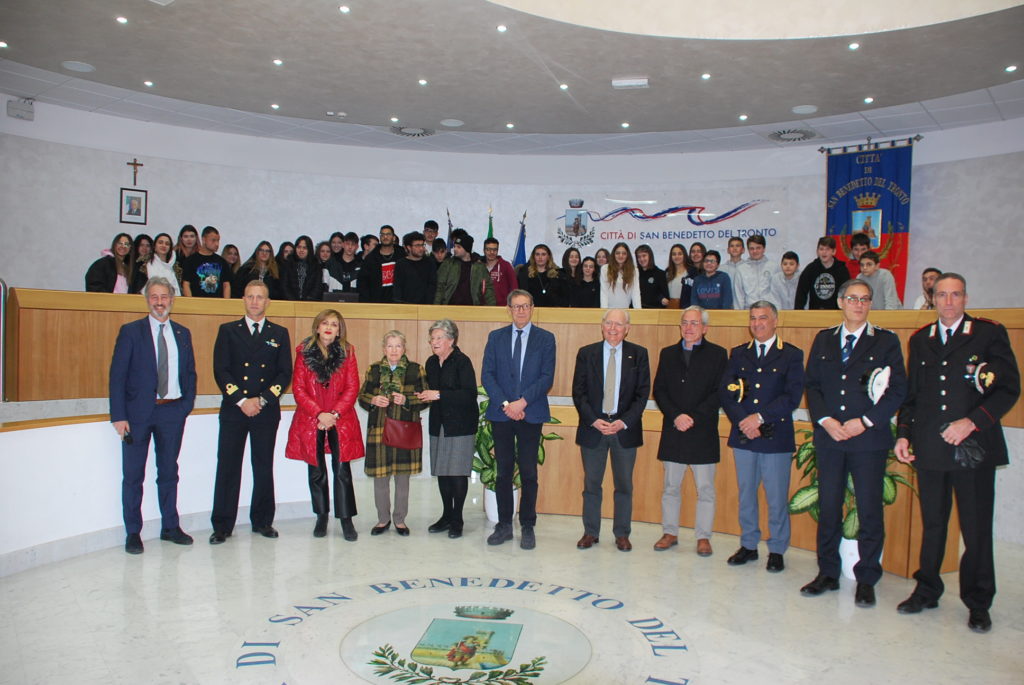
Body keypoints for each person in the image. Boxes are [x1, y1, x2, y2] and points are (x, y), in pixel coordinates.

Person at [894, 273, 1020, 633]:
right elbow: (913, 396)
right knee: (933, 522)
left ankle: (979, 602)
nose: (948, 302)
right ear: (932, 299)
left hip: (973, 447)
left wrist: (972, 422)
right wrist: (903, 434)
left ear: (965, 298)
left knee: (976, 527)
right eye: (942, 295)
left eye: (955, 295)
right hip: (931, 447)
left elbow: (1008, 388)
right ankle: (927, 589)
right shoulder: (921, 340)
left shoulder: (988, 333)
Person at [802, 278, 907, 607]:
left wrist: (865, 422)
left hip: (868, 440)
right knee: (829, 507)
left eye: (864, 299)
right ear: (840, 302)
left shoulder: (886, 341)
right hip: (831, 438)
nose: (858, 305)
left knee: (869, 510)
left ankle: (867, 578)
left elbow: (897, 390)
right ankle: (828, 573)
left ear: (870, 304)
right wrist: (826, 420)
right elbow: (812, 385)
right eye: (852, 298)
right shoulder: (824, 339)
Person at [108, 276, 196, 554]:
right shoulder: (131, 332)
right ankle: (133, 532)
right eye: (154, 297)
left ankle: (170, 526)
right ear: (147, 300)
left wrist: (185, 406)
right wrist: (119, 416)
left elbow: (190, 373)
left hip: (172, 412)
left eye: (164, 297)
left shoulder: (182, 333)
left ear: (172, 300)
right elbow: (117, 376)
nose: (160, 302)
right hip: (137, 416)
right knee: (133, 476)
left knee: (169, 472)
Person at [720, 301, 805, 571]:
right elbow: (727, 391)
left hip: (775, 436)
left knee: (776, 496)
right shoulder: (739, 354)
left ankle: (777, 549)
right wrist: (743, 420)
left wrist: (759, 418)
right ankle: (748, 544)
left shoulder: (791, 355)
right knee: (746, 494)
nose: (757, 323)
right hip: (744, 435)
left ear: (775, 321)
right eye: (753, 318)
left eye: (763, 318)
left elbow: (792, 396)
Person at [209, 281, 293, 544]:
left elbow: (284, 373)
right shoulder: (227, 331)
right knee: (228, 467)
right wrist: (242, 400)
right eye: (250, 297)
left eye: (260, 297)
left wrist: (263, 399)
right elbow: (221, 370)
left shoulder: (279, 333)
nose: (255, 301)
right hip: (235, 410)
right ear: (243, 299)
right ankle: (222, 525)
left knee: (263, 466)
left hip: (265, 411)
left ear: (268, 302)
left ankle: (263, 521)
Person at [481, 289, 556, 549]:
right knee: (503, 472)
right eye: (516, 306)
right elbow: (487, 375)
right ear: (509, 310)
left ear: (532, 308)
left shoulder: (546, 339)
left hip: (530, 412)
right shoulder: (496, 337)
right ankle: (503, 525)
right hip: (502, 414)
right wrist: (507, 405)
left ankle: (527, 525)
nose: (521, 310)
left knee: (528, 472)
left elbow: (546, 377)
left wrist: (522, 402)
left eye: (525, 306)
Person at [572, 308, 651, 552]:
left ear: (627, 329)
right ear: (602, 325)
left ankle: (622, 534)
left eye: (619, 324)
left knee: (624, 486)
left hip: (624, 429)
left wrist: (623, 421)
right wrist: (593, 420)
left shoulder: (639, 354)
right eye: (609, 323)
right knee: (591, 485)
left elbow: (642, 394)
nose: (613, 328)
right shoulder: (587, 353)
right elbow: (579, 392)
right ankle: (590, 532)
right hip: (593, 428)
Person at [651, 306, 727, 556]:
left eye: (694, 323)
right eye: (685, 323)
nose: (689, 327)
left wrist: (693, 417)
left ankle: (703, 537)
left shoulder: (718, 354)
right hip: (674, 430)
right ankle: (670, 532)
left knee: (705, 489)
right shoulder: (668, 353)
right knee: (670, 487)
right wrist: (676, 416)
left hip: (702, 431)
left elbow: (719, 392)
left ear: (705, 328)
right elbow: (659, 390)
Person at [285, 309, 364, 540]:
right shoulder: (303, 352)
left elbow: (352, 387)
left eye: (334, 324)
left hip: (341, 419)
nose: (329, 328)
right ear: (317, 327)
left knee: (342, 470)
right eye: (325, 323)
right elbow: (298, 388)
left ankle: (346, 519)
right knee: (316, 469)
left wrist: (334, 414)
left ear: (340, 330)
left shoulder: (348, 352)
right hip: (312, 419)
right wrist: (319, 414)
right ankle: (321, 516)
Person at [357, 330, 428, 536]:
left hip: (404, 430)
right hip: (379, 429)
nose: (394, 350)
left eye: (398, 346)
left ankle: (400, 520)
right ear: (384, 349)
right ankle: (382, 519)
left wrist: (407, 400)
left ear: (404, 348)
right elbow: (362, 396)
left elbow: (425, 399)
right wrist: (372, 399)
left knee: (402, 480)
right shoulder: (374, 369)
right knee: (380, 478)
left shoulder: (416, 370)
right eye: (390, 346)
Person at [417, 319, 478, 538]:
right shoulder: (431, 363)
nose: (434, 342)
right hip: (439, 423)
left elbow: (469, 394)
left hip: (461, 425)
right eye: (432, 338)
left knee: (457, 473)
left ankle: (457, 519)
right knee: (442, 472)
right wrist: (421, 397)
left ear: (451, 340)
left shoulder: (462, 362)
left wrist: (439, 394)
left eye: (439, 338)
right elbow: (428, 392)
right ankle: (446, 515)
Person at [434, 229, 496, 306]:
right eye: (455, 246)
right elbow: (439, 287)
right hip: (449, 308)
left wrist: (492, 308)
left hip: (472, 309)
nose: (455, 249)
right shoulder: (448, 264)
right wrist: (436, 307)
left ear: (467, 249)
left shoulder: (480, 267)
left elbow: (488, 290)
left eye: (458, 247)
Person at [795, 236, 850, 309]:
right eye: (821, 249)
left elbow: (846, 293)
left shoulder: (842, 270)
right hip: (815, 312)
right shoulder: (810, 269)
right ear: (817, 251)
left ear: (834, 251)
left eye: (827, 249)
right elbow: (801, 293)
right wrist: (798, 312)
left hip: (836, 312)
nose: (824, 252)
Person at [359, 225, 406, 303]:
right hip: (377, 302)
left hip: (399, 302)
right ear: (380, 237)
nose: (385, 237)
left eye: (388, 234)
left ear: (394, 237)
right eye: (382, 234)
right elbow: (363, 283)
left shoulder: (402, 256)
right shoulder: (371, 259)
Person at [182, 226, 231, 298]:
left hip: (217, 303)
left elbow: (226, 285)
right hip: (197, 302)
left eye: (218, 240)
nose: (217, 244)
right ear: (204, 240)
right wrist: (190, 302)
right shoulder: (190, 261)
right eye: (213, 240)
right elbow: (186, 284)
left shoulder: (222, 262)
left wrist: (226, 302)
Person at [733, 235, 779, 310]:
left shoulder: (774, 267)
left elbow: (777, 293)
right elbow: (739, 295)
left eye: (758, 248)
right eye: (752, 248)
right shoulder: (741, 269)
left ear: (764, 249)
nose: (755, 251)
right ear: (748, 250)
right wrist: (739, 313)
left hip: (769, 311)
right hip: (749, 311)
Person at [394, 231, 437, 304]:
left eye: (422, 245)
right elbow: (397, 287)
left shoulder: (430, 262)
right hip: (405, 306)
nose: (421, 248)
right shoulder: (400, 264)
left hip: (425, 306)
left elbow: (432, 286)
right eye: (417, 245)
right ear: (409, 247)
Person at [600, 242, 641, 309]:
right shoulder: (605, 269)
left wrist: (639, 312)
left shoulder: (634, 270)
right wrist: (604, 311)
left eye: (624, 253)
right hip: (609, 310)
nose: (620, 256)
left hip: (626, 310)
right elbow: (604, 292)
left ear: (627, 255)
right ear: (613, 254)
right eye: (618, 253)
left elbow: (635, 293)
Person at [282, 235, 322, 301]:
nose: (301, 250)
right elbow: (284, 286)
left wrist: (307, 301)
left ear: (309, 249)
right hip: (290, 302)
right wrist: (293, 301)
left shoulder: (316, 265)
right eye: (299, 247)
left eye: (304, 248)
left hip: (310, 303)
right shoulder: (288, 263)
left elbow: (317, 287)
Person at [483, 237, 519, 306]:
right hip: (482, 307)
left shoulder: (506, 266)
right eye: (488, 249)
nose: (492, 252)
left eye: (494, 250)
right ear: (484, 250)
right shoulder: (479, 267)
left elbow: (514, 287)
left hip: (502, 307)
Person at [634, 244, 669, 308]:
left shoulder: (660, 274)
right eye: (639, 257)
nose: (641, 259)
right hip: (637, 309)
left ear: (650, 256)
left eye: (644, 256)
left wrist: (661, 299)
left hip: (654, 310)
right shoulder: (634, 273)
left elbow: (666, 297)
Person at [718, 236, 746, 308]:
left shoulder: (748, 268)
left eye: (737, 246)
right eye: (732, 246)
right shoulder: (720, 269)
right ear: (728, 250)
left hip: (745, 308)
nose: (734, 248)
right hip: (725, 308)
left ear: (743, 250)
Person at [664, 243, 692, 308]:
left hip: (686, 307)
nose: (677, 257)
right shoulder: (667, 272)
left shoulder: (691, 272)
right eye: (674, 254)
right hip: (669, 307)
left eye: (680, 254)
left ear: (684, 255)